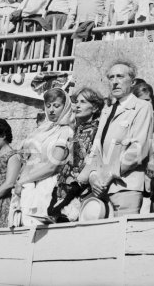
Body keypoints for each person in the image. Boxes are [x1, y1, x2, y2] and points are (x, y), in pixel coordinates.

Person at [78, 61, 154, 216]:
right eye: (111, 77)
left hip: (125, 186)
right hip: (100, 188)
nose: (115, 81)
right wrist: (92, 175)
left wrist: (110, 174)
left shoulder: (142, 107)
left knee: (123, 234)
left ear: (132, 82)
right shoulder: (107, 111)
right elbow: (96, 149)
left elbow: (138, 149)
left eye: (120, 76)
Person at [13, 88, 74, 226]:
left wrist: (23, 180)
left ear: (65, 107)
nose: (51, 110)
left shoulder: (65, 131)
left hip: (44, 187)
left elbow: (52, 166)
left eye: (56, 106)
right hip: (27, 185)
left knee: (36, 227)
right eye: (48, 106)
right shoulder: (42, 130)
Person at [48, 87, 104, 222]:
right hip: (64, 187)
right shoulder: (78, 129)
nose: (77, 105)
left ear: (95, 107)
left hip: (80, 189)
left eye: (83, 102)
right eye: (77, 102)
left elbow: (91, 159)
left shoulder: (97, 129)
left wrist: (75, 189)